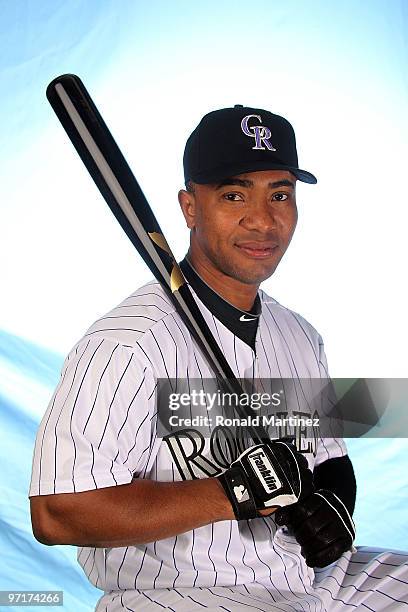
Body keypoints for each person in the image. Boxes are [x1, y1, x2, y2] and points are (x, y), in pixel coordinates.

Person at [29, 106, 408, 611]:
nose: (263, 219)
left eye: (280, 194)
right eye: (234, 195)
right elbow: (58, 513)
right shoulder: (127, 342)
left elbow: (331, 460)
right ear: (189, 208)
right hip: (184, 592)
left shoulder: (298, 335)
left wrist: (333, 508)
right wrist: (229, 493)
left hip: (309, 581)